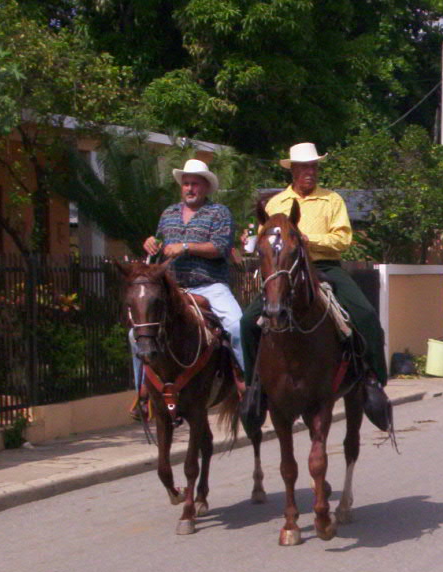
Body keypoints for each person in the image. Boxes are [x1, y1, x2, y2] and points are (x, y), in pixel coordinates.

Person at [239, 142, 391, 429]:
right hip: (285, 272)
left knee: (366, 314)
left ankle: (372, 380)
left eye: (313, 167)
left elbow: (343, 240)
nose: (309, 172)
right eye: (303, 167)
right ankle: (254, 388)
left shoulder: (332, 200)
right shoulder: (275, 204)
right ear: (293, 170)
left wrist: (309, 241)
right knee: (247, 321)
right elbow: (264, 241)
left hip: (324, 267)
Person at [130, 159, 243, 418]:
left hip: (210, 285)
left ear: (205, 187)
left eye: (195, 184)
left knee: (237, 325)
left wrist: (186, 247)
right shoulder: (168, 213)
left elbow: (220, 248)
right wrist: (150, 243)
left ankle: (246, 379)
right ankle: (142, 392)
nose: (190, 188)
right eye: (186, 184)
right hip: (174, 288)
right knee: (135, 333)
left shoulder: (219, 213)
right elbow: (159, 243)